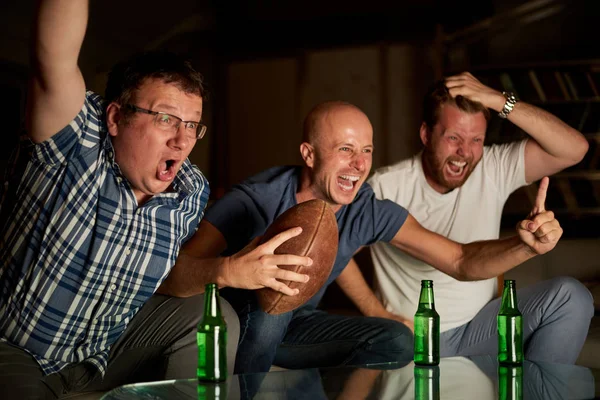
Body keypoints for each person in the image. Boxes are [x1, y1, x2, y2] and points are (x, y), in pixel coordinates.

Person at [160, 98, 563, 375]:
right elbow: (174, 273)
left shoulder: (365, 207)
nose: (359, 164)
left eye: (367, 151)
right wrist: (234, 271)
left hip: (301, 324)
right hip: (232, 323)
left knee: (398, 341)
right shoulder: (256, 198)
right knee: (271, 305)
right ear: (309, 154)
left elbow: (459, 260)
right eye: (345, 150)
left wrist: (522, 245)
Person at [0, 1, 242, 398]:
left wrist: (228, 270)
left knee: (214, 317)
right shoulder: (74, 143)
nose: (182, 141)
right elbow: (53, 55)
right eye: (164, 118)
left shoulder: (190, 191)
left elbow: (169, 280)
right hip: (18, 350)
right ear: (115, 118)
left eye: (192, 125)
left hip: (101, 354)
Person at [347, 72, 593, 365]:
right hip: (416, 337)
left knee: (571, 297)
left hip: (483, 327)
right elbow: (337, 251)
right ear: (426, 135)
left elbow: (575, 149)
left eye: (476, 139)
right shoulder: (386, 186)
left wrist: (501, 102)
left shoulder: (492, 166)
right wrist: (377, 314)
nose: (464, 152)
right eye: (453, 138)